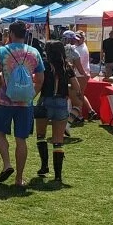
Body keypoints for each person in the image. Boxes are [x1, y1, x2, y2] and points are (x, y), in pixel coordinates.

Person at [0, 21, 44, 187]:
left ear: (11, 34)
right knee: (21, 140)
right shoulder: (34, 52)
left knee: (0, 133)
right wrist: (31, 95)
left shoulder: (2, 51)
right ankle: (19, 179)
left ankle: (7, 164)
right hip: (25, 104)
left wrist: (4, 76)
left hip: (5, 101)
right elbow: (40, 80)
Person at [33, 40, 76, 182]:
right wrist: (66, 89)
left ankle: (44, 166)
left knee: (41, 135)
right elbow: (76, 87)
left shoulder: (44, 65)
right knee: (58, 140)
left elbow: (39, 84)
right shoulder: (66, 66)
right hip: (61, 103)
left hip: (45, 101)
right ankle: (58, 176)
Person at [62, 31, 95, 123]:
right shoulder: (76, 48)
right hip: (78, 74)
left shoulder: (78, 50)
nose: (75, 41)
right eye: (74, 39)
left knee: (77, 96)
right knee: (79, 95)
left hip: (79, 75)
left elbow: (78, 66)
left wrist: (84, 74)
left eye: (77, 38)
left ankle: (79, 116)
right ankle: (90, 111)